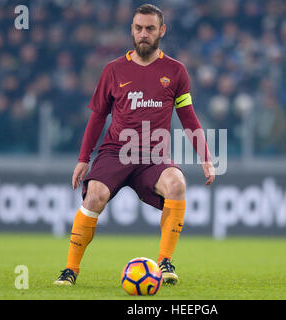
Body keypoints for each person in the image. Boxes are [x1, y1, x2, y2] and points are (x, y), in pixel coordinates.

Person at [54, 4, 215, 286]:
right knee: (94, 196)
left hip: (154, 156)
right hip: (116, 151)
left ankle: (164, 262)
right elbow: (97, 117)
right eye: (138, 28)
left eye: (150, 29)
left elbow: (188, 116)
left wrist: (204, 155)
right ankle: (70, 270)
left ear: (161, 31)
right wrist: (83, 158)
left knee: (177, 183)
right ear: (132, 30)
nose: (143, 34)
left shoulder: (175, 71)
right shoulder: (113, 70)